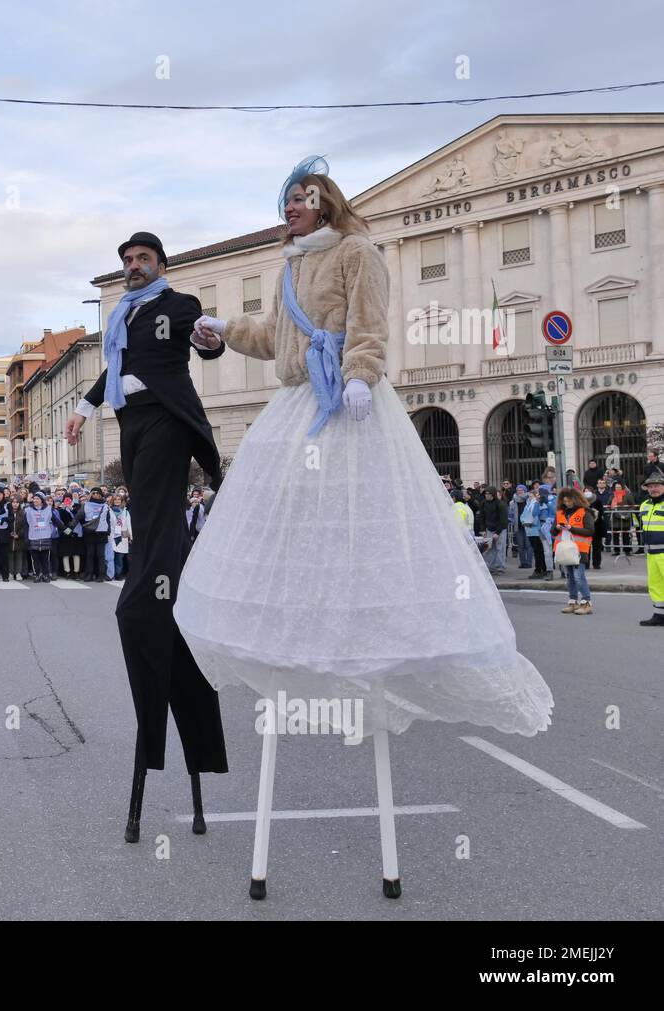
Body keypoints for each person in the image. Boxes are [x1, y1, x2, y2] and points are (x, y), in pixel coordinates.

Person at [176, 157, 552, 897]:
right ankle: (298, 634)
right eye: (286, 197)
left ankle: (365, 637)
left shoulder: (358, 252)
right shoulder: (290, 265)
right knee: (285, 533)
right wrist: (225, 332)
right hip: (292, 407)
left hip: (346, 403)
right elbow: (274, 335)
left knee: (361, 523)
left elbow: (370, 322)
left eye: (304, 196)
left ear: (327, 202)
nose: (294, 206)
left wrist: (359, 373)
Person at [66, 229, 229, 842]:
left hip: (164, 414)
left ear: (161, 265)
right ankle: (157, 569)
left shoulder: (176, 304)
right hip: (129, 419)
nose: (134, 268)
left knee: (159, 505)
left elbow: (205, 337)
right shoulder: (124, 316)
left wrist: (212, 339)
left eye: (143, 260)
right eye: (128, 262)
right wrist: (83, 410)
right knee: (141, 503)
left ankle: (160, 575)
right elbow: (115, 368)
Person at [553, 487, 595, 615]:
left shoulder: (585, 512)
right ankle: (573, 601)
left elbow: (590, 530)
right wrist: (557, 528)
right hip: (565, 549)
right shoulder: (560, 513)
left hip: (579, 549)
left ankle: (586, 602)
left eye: (570, 501)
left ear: (576, 500)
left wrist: (571, 528)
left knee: (578, 576)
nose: (567, 503)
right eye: (565, 501)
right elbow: (553, 531)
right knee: (570, 577)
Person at [639, 472, 664, 626]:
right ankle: (660, 615)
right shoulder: (644, 505)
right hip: (651, 553)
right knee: (655, 585)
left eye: (657, 486)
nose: (653, 489)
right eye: (650, 486)